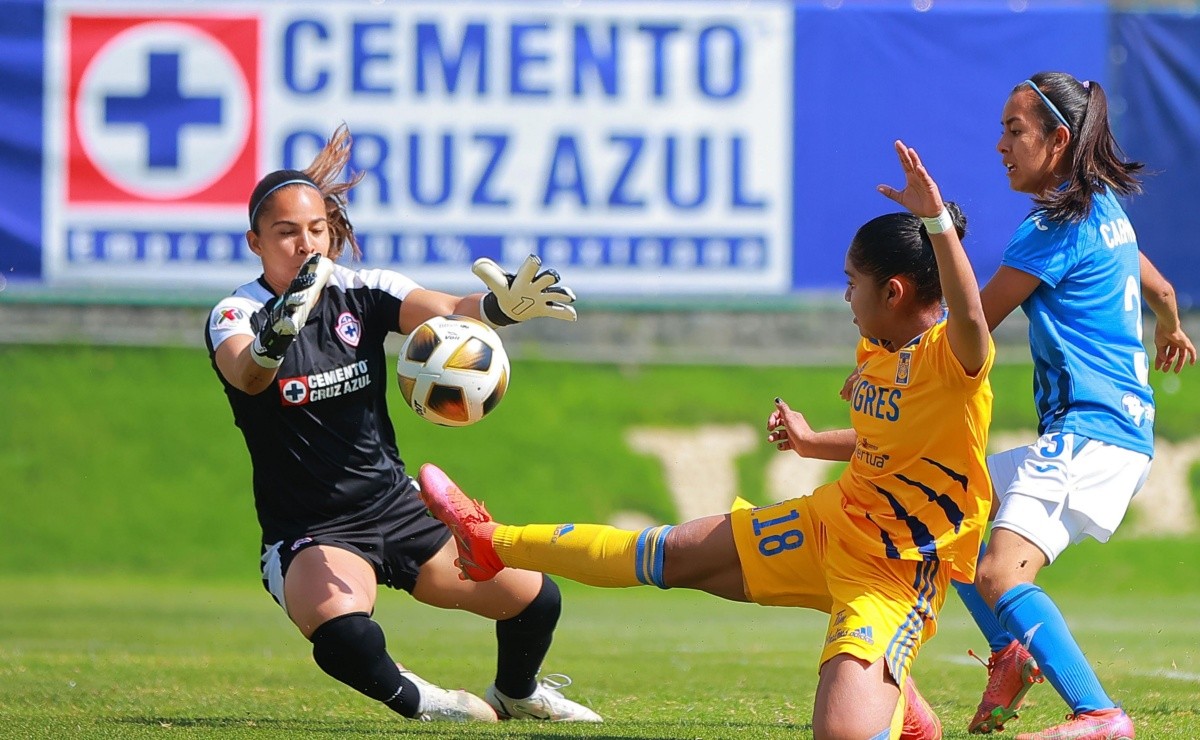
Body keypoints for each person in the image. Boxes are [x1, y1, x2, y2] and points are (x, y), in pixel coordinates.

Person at [420, 140, 994, 740]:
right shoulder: (878, 347)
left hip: (894, 571)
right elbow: (892, 440)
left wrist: (934, 223)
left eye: (853, 283)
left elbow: (974, 319)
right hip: (831, 523)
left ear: (894, 293)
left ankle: (899, 705)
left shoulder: (954, 359)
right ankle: (489, 541)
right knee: (665, 553)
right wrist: (811, 441)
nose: (846, 296)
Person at [203, 124, 602, 724]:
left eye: (316, 230)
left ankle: (518, 693)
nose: (304, 244)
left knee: (534, 598)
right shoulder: (237, 312)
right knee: (349, 639)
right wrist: (272, 340)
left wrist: (499, 309)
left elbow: (448, 309)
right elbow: (246, 375)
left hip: (396, 506)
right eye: (285, 233)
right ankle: (427, 703)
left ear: (331, 233)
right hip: (311, 529)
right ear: (255, 241)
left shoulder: (361, 290)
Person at [946, 72, 1196, 740]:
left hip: (1091, 433)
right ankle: (1013, 656)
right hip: (1113, 433)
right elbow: (1163, 288)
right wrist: (1170, 326)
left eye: (1014, 129)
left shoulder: (1049, 228)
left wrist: (893, 361)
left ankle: (1100, 715)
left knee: (999, 571)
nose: (1000, 143)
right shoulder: (1104, 210)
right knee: (953, 504)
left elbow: (972, 327)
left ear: (1059, 139)